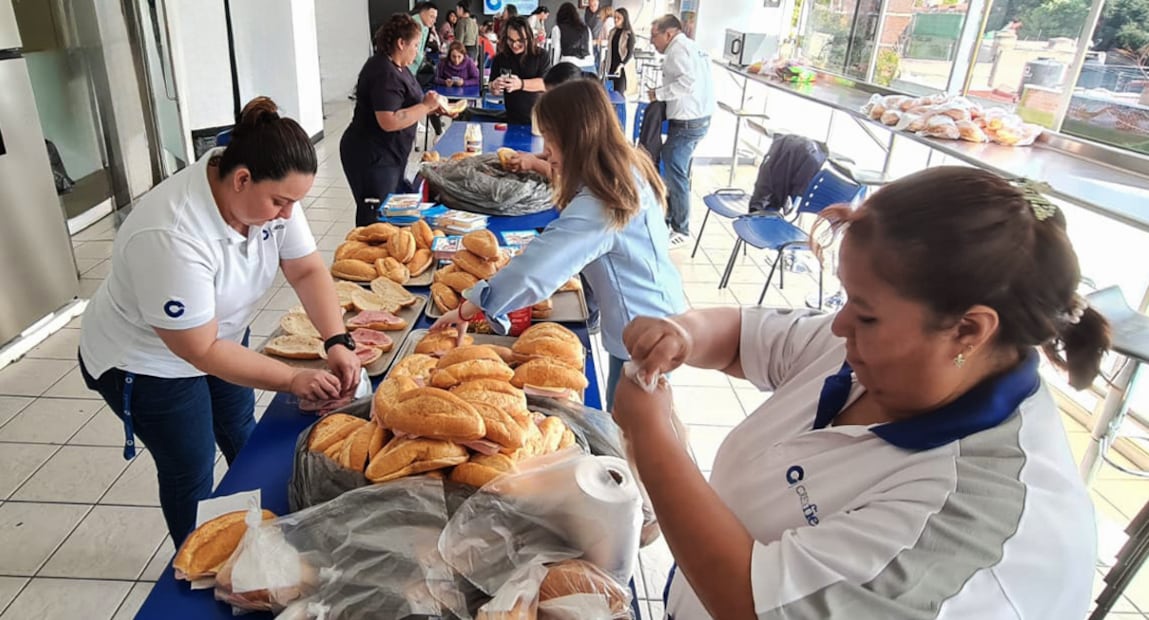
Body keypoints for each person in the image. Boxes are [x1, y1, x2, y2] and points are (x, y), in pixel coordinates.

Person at [613, 167, 1105, 619]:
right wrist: (683, 334)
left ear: (968, 330)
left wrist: (652, 438)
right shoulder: (881, 351)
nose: (840, 324)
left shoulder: (975, 515)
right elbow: (744, 338)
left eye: (865, 313)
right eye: (847, 299)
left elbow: (751, 604)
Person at [78, 97, 361, 547]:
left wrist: (337, 340)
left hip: (220, 336)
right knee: (190, 465)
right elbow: (200, 349)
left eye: (294, 203)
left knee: (241, 432)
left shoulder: (268, 189)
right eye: (280, 202)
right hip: (150, 362)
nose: (288, 214)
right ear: (241, 179)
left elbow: (306, 270)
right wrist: (292, 379)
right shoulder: (172, 232)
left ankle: (264, 536)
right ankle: (197, 558)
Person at [432, 79, 685, 405]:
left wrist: (470, 307)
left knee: (630, 424)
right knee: (631, 414)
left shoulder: (602, 204)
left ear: (575, 137)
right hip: (653, 317)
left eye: (550, 138)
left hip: (646, 334)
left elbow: (534, 271)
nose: (546, 148)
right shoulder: (623, 167)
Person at [341, 13, 451, 226]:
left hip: (391, 153)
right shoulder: (384, 72)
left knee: (395, 211)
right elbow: (389, 120)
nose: (418, 51)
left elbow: (408, 104)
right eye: (415, 45)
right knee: (377, 218)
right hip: (372, 155)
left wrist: (430, 108)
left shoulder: (399, 67)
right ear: (401, 43)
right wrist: (425, 106)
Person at [648, 14, 715, 248]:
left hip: (688, 122)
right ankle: (669, 218)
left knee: (676, 174)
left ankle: (681, 228)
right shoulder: (691, 47)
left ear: (668, 34)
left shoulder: (677, 51)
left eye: (654, 36)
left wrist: (659, 94)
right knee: (676, 170)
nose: (651, 41)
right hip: (699, 118)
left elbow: (689, 83)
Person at [489, 16, 552, 125]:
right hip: (512, 118)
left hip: (539, 119)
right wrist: (495, 86)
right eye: (510, 40)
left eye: (520, 40)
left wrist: (520, 84)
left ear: (529, 37)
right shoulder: (500, 58)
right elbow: (492, 88)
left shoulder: (541, 55)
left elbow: (546, 84)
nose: (515, 45)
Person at [550, 3, 595, 72]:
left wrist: (554, 71)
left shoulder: (557, 29)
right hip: (589, 65)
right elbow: (590, 50)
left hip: (569, 66)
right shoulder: (586, 29)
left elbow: (556, 52)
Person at [607, 7, 634, 93]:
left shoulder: (628, 34)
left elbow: (630, 53)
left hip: (623, 67)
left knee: (619, 92)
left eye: (618, 18)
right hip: (611, 65)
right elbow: (610, 49)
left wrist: (621, 65)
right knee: (609, 92)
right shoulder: (612, 32)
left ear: (624, 19)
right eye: (614, 17)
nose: (615, 20)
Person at [408, 2, 438, 77]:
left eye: (435, 18)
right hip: (407, 67)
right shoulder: (413, 24)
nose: (434, 21)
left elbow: (421, 49)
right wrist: (423, 62)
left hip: (415, 68)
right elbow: (411, 48)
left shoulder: (426, 27)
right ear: (422, 12)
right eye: (431, 16)